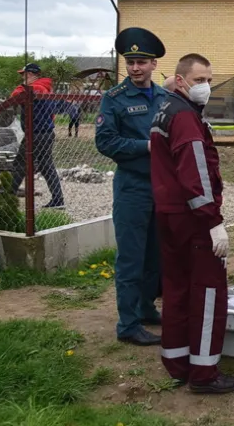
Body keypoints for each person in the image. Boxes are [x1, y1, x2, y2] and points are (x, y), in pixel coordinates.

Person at [150, 53, 234, 394]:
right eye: (200, 80)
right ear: (180, 80)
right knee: (207, 292)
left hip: (169, 214)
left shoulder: (165, 110)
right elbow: (196, 172)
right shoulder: (186, 117)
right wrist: (213, 220)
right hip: (192, 218)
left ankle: (177, 362)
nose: (205, 86)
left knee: (175, 289)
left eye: (208, 79)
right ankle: (204, 373)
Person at [95, 28, 167, 346]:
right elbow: (105, 141)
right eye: (130, 61)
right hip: (133, 187)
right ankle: (128, 325)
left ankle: (146, 308)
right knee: (131, 258)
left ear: (153, 64)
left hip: (162, 187)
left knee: (155, 255)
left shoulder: (165, 98)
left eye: (141, 62)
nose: (135, 68)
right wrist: (146, 147)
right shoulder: (114, 99)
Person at [1, 63, 65, 209]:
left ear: (30, 74)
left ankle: (8, 193)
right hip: (46, 132)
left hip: (36, 133)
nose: (22, 78)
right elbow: (52, 113)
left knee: (20, 163)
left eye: (23, 75)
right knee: (46, 165)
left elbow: (15, 96)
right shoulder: (46, 88)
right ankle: (58, 198)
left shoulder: (35, 88)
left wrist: (22, 86)